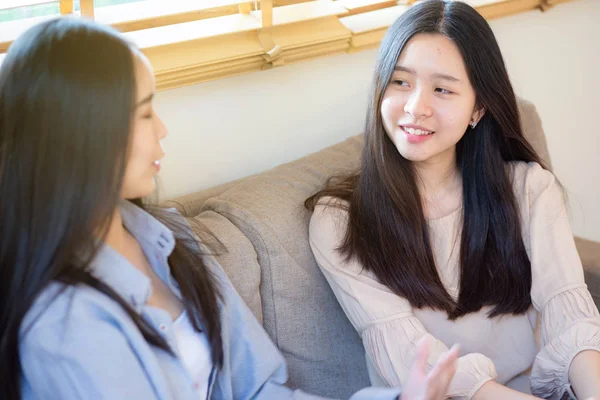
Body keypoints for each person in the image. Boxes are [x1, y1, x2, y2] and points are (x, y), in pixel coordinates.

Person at [0, 17, 459, 400]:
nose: (162, 129)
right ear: (82, 134)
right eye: (142, 114)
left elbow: (259, 389)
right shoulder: (60, 325)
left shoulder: (168, 239)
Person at [306, 1, 600, 399]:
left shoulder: (529, 190)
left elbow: (571, 321)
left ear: (477, 107)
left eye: (442, 89)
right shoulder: (343, 222)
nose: (415, 107)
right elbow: (416, 363)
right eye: (400, 82)